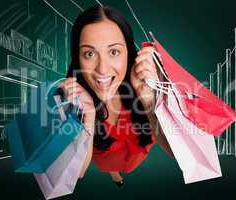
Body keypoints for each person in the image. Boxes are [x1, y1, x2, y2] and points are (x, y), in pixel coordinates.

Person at [60, 5, 173, 187]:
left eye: (114, 52)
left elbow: (179, 154)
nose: (102, 69)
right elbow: (76, 173)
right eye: (89, 54)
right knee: (110, 164)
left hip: (136, 153)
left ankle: (117, 171)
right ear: (78, 58)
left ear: (128, 53)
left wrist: (148, 100)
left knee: (129, 161)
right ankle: (114, 174)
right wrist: (88, 115)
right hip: (105, 156)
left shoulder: (144, 85)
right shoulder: (73, 99)